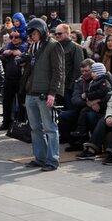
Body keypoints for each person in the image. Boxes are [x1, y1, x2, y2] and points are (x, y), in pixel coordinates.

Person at [22, 18, 65, 171]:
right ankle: (40, 158)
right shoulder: (34, 46)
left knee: (50, 129)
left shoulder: (53, 45)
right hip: (31, 92)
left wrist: (52, 93)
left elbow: (58, 71)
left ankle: (52, 160)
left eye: (33, 33)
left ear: (41, 31)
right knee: (35, 128)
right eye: (30, 33)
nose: (31, 36)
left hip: (44, 93)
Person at [67, 62, 112, 146]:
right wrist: (88, 102)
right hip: (88, 105)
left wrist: (92, 98)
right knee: (81, 112)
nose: (84, 73)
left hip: (104, 107)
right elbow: (75, 99)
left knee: (90, 115)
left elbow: (107, 93)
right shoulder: (87, 81)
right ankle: (80, 132)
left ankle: (95, 142)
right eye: (82, 71)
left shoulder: (105, 81)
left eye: (88, 71)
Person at [0, 30, 27, 131]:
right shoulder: (8, 47)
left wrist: (20, 54)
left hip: (21, 79)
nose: (13, 39)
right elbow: (0, 59)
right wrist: (6, 54)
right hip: (9, 78)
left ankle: (21, 123)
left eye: (16, 37)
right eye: (11, 37)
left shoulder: (25, 47)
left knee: (22, 102)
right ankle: (6, 122)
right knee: (7, 101)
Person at [54, 23, 84, 103]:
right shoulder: (55, 47)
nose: (57, 35)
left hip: (68, 87)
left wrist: (71, 86)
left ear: (67, 34)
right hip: (56, 86)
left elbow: (78, 68)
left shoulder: (75, 47)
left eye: (59, 33)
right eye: (55, 34)